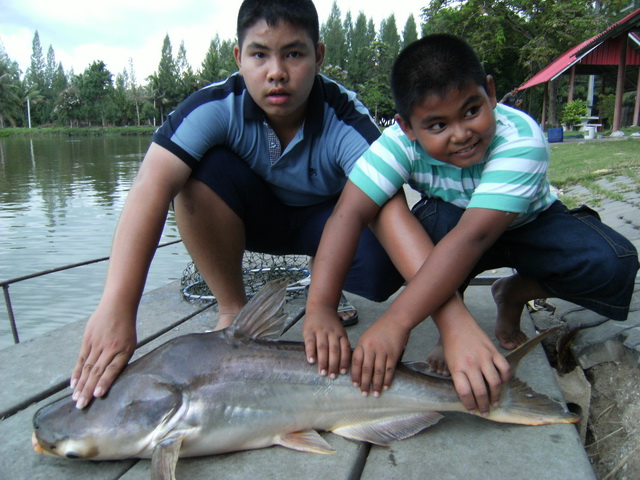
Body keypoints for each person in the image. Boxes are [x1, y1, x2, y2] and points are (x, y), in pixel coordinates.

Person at [70, 0, 405, 410]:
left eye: (294, 54)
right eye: (259, 54)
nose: (277, 72)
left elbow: (393, 214)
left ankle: (327, 287)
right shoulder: (213, 106)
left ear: (318, 56)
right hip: (255, 220)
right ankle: (232, 309)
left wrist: (453, 326)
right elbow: (149, 188)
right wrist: (117, 307)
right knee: (189, 175)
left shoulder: (346, 118)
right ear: (239, 58)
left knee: (385, 256)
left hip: (331, 225)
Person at [303, 34, 639, 415]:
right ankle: (452, 311)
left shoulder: (521, 138)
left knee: (613, 262)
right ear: (407, 127)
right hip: (452, 227)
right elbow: (348, 213)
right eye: (437, 125)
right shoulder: (398, 143)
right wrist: (320, 306)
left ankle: (512, 293)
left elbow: (474, 237)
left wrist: (396, 322)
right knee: (425, 227)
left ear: (491, 93)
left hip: (529, 224)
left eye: (470, 111)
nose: (461, 134)